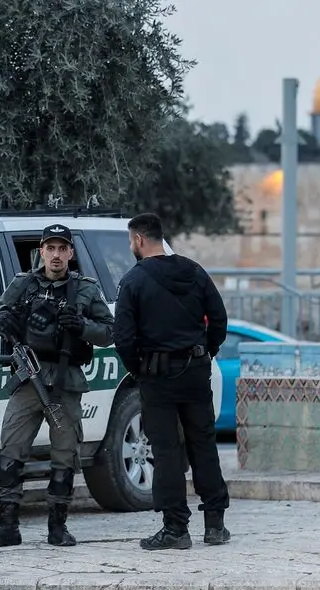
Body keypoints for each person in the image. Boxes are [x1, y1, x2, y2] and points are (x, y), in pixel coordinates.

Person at [0, 224, 115, 549]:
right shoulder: (23, 284)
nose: (55, 255)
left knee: (65, 453)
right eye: (49, 248)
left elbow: (110, 333)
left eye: (61, 248)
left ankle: (58, 526)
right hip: (27, 379)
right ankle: (7, 525)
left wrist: (82, 326)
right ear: (41, 251)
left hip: (65, 381)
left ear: (70, 253)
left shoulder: (85, 289)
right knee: (11, 447)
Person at [113, 213, 231, 550]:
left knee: (165, 451)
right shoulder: (194, 271)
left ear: (138, 239)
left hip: (157, 377)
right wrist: (206, 351)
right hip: (195, 371)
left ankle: (176, 529)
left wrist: (139, 368)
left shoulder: (133, 281)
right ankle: (215, 526)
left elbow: (123, 336)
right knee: (203, 445)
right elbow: (219, 318)